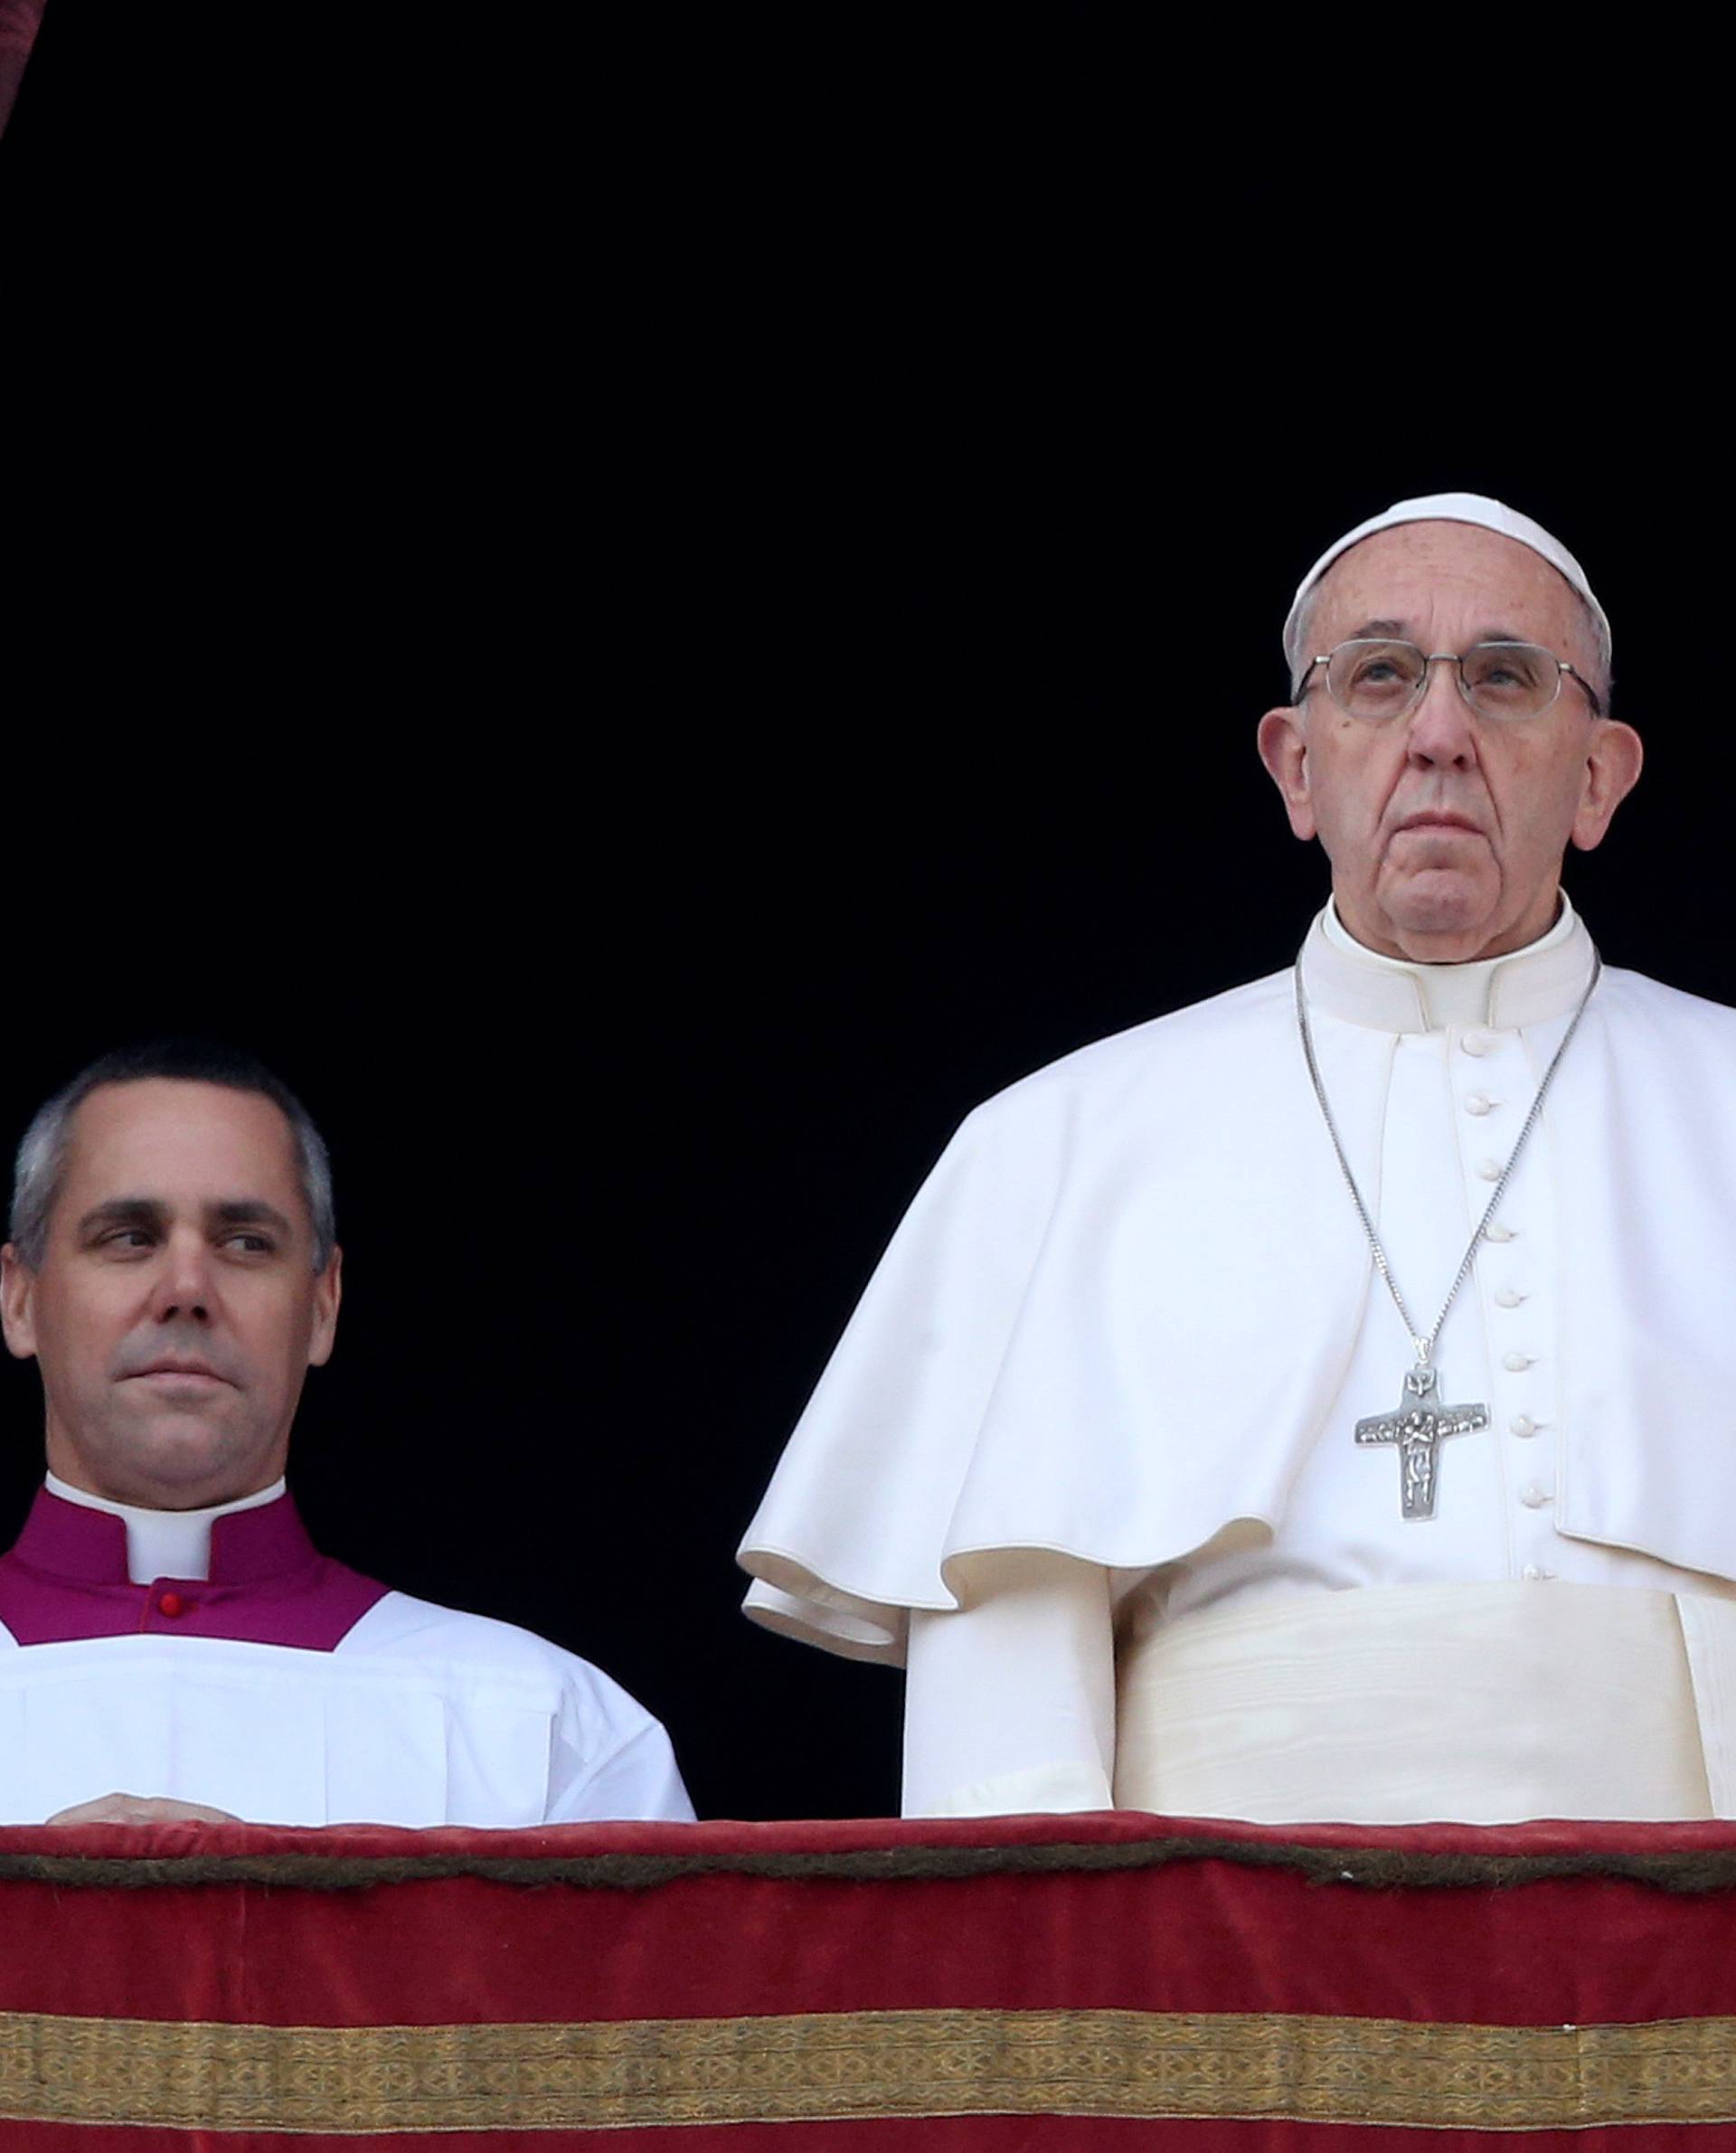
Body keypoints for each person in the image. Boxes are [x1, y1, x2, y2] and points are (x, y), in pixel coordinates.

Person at [738, 491, 1736, 1827]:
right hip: (1225, 1971)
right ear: (1297, 768)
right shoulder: (1062, 1141)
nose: (1440, 737)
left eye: (1506, 680)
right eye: (1378, 678)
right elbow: (1007, 1706)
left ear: (1602, 774)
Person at [0, 1042, 693, 1827]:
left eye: (245, 1242)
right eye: (129, 1236)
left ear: (323, 1304)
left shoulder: (543, 1727)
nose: (186, 1290)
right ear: (19, 1298)